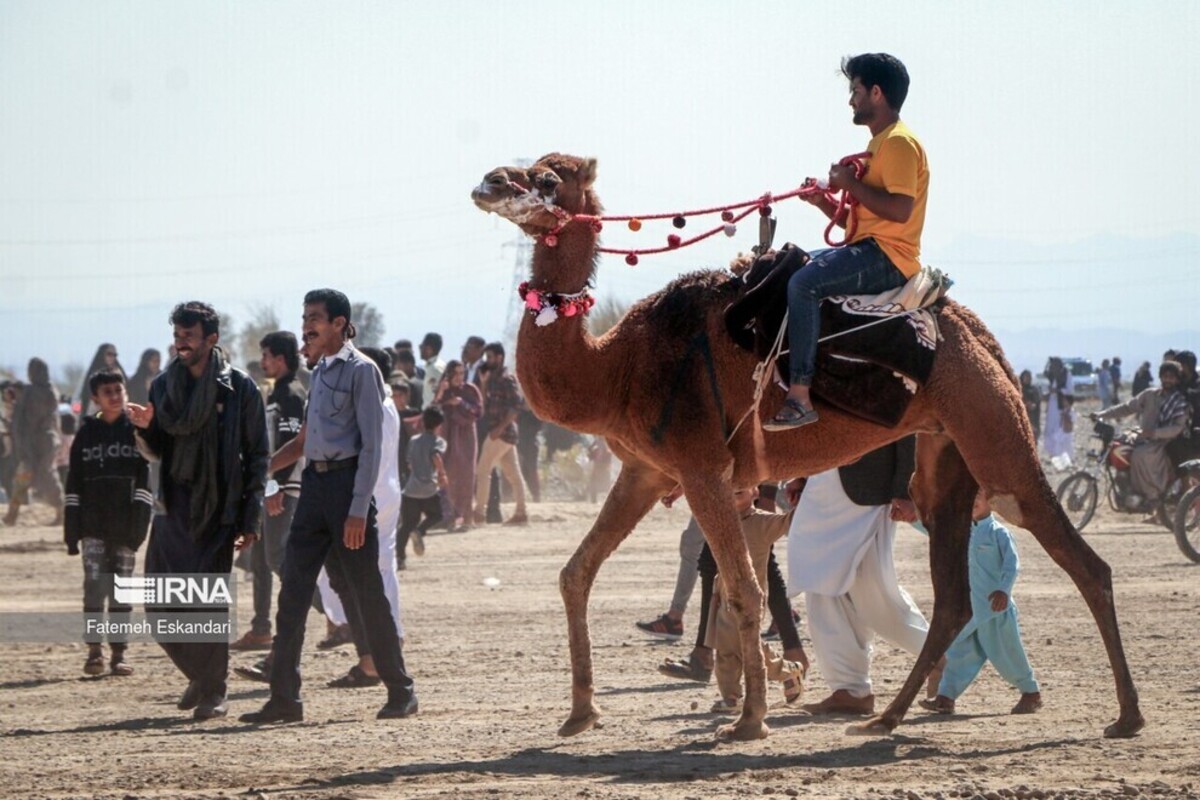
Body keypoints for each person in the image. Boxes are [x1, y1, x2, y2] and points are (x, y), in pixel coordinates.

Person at [240, 289, 417, 724]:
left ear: (339, 323)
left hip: (348, 491)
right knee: (293, 594)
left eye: (315, 318)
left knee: (368, 595)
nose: (306, 326)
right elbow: (303, 442)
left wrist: (358, 509)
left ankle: (401, 691)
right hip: (314, 489)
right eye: (304, 318)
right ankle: (285, 699)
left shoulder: (364, 371)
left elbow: (373, 447)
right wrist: (260, 470)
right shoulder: (317, 374)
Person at [766, 53, 928, 430]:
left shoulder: (900, 144)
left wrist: (849, 185)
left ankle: (800, 396)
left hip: (891, 258)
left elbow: (900, 211)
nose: (850, 100)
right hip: (870, 248)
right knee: (787, 265)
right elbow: (860, 226)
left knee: (803, 284)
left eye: (855, 90)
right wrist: (824, 201)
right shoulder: (879, 145)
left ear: (875, 92)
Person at [128, 302, 267, 720]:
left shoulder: (239, 388)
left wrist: (250, 517)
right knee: (158, 603)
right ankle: (201, 675)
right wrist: (146, 427)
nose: (181, 344)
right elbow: (156, 452)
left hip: (218, 509)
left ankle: (214, 692)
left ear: (211, 339)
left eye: (189, 337)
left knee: (205, 605)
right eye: (177, 336)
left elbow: (258, 456)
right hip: (173, 506)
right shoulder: (162, 385)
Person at [786, 437, 941, 715]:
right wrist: (805, 473)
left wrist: (906, 491)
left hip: (870, 489)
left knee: (872, 589)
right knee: (820, 583)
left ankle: (937, 656)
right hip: (825, 484)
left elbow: (907, 425)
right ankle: (850, 689)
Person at [919, 490, 1042, 716]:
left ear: (992, 502)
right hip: (970, 611)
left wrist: (1004, 591)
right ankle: (945, 699)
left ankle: (1031, 693)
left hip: (996, 611)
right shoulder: (960, 531)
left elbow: (1012, 566)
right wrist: (911, 518)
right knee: (959, 653)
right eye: (969, 495)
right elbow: (934, 530)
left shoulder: (999, 534)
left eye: (978, 495)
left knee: (1008, 655)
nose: (973, 500)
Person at [64, 370, 152, 677]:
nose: (115, 396)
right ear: (95, 399)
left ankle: (119, 654)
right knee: (94, 587)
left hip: (127, 527)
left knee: (121, 591)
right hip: (92, 527)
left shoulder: (137, 431)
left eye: (119, 390)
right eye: (108, 392)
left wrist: (139, 529)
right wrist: (71, 532)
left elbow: (146, 481)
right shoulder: (86, 434)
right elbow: (73, 483)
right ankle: (93, 652)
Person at [231, 332, 307, 652]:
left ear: (281, 359)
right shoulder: (277, 393)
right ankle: (261, 628)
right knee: (260, 560)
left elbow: (293, 449)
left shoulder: (291, 394)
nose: (262, 362)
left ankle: (336, 616)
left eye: (266, 356)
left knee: (277, 558)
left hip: (284, 490)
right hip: (271, 487)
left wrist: (276, 487)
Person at [706, 486, 807, 712]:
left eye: (743, 487)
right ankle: (731, 696)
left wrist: (806, 497)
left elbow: (792, 521)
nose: (735, 489)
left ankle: (789, 670)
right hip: (724, 593)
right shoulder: (722, 520)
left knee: (747, 645)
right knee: (725, 648)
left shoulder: (763, 523)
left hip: (751, 596)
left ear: (755, 492)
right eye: (732, 485)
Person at [1096, 361, 1189, 522]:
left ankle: (1150, 495)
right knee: (1119, 448)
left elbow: (1177, 427)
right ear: (1160, 377)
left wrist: (1153, 433)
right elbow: (1127, 407)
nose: (1168, 380)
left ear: (1177, 380)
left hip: (1163, 441)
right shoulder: (1149, 395)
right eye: (1165, 376)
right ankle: (1126, 489)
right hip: (1141, 436)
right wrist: (1101, 414)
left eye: (1171, 377)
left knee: (1140, 454)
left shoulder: (1179, 401)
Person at [473, 342, 530, 526]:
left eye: (490, 357)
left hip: (501, 433)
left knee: (483, 470)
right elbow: (485, 404)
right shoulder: (493, 379)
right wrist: (483, 384)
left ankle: (479, 513)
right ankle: (521, 513)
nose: (487, 361)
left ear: (499, 357)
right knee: (513, 474)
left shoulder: (507, 379)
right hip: (499, 432)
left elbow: (516, 405)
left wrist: (500, 428)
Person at [4, 358, 65, 526]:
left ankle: (62, 512)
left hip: (41, 441)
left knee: (46, 476)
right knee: (25, 475)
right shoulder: (49, 391)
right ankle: (12, 514)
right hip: (42, 441)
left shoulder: (34, 392)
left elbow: (26, 417)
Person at [397, 405, 450, 565]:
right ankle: (419, 530)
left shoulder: (413, 440)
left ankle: (400, 558)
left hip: (411, 490)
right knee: (437, 515)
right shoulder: (439, 441)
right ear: (439, 425)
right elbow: (435, 456)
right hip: (428, 490)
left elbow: (409, 463)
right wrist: (441, 474)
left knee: (405, 525)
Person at [434, 360, 481, 531]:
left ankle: (468, 518)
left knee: (467, 476)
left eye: (462, 373)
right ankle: (450, 518)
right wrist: (442, 393)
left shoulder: (470, 390)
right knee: (448, 475)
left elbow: (477, 411)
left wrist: (460, 403)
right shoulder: (444, 390)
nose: (459, 377)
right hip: (447, 436)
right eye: (456, 373)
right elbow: (434, 410)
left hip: (466, 436)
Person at [1042, 357, 1075, 465]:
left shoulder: (1066, 374)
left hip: (1062, 407)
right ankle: (1054, 456)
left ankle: (1064, 459)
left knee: (1061, 432)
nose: (1052, 367)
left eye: (1055, 365)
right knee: (1050, 430)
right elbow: (1045, 371)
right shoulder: (1052, 376)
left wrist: (1057, 391)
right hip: (1052, 406)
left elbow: (1070, 391)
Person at [79, 344, 126, 417]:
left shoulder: (118, 372)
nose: (112, 357)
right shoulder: (94, 374)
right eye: (109, 354)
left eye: (114, 355)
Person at [419, 332, 446, 409]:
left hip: (432, 414)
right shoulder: (433, 366)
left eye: (421, 346)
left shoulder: (434, 369)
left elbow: (433, 395)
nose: (420, 349)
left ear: (428, 349)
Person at [1019, 370, 1042, 444]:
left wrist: (1032, 405)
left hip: (1033, 419)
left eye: (1029, 377)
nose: (1027, 379)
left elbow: (1036, 402)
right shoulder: (1019, 389)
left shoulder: (1034, 390)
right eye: (1026, 377)